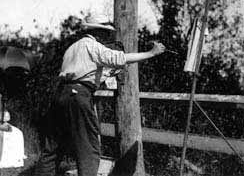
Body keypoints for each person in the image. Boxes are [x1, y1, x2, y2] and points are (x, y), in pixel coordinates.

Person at [35, 15, 166, 176]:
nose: (106, 37)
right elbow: (119, 58)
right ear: (96, 32)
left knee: (53, 147)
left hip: (61, 94)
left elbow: (83, 73)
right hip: (79, 96)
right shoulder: (92, 46)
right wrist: (151, 53)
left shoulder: (72, 48)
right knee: (89, 148)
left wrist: (107, 73)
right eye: (104, 32)